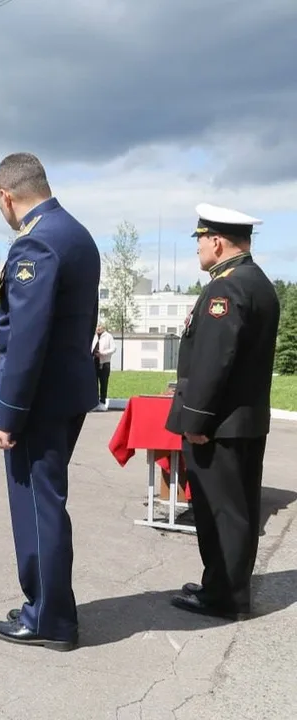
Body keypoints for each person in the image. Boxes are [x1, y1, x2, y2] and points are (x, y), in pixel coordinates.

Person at [0, 152, 100, 652]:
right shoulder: (76, 233)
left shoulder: (36, 241)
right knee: (47, 501)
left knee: (37, 506)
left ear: (6, 196)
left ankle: (49, 618)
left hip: (38, 401)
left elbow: (26, 338)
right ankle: (45, 603)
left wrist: (7, 414)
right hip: (65, 392)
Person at [165, 204, 280, 620]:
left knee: (221, 513)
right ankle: (223, 585)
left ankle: (226, 597)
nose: (197, 247)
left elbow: (214, 361)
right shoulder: (258, 282)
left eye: (200, 240)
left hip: (218, 425)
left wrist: (196, 420)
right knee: (238, 509)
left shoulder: (225, 289)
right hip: (243, 421)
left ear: (216, 242)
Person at [92, 324, 116, 411]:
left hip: (104, 363)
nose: (98, 328)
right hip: (94, 362)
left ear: (103, 328)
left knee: (103, 383)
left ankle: (102, 402)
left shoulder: (108, 336)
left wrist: (103, 353)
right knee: (94, 383)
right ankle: (94, 402)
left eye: (100, 326)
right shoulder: (94, 336)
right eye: (97, 326)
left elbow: (113, 349)